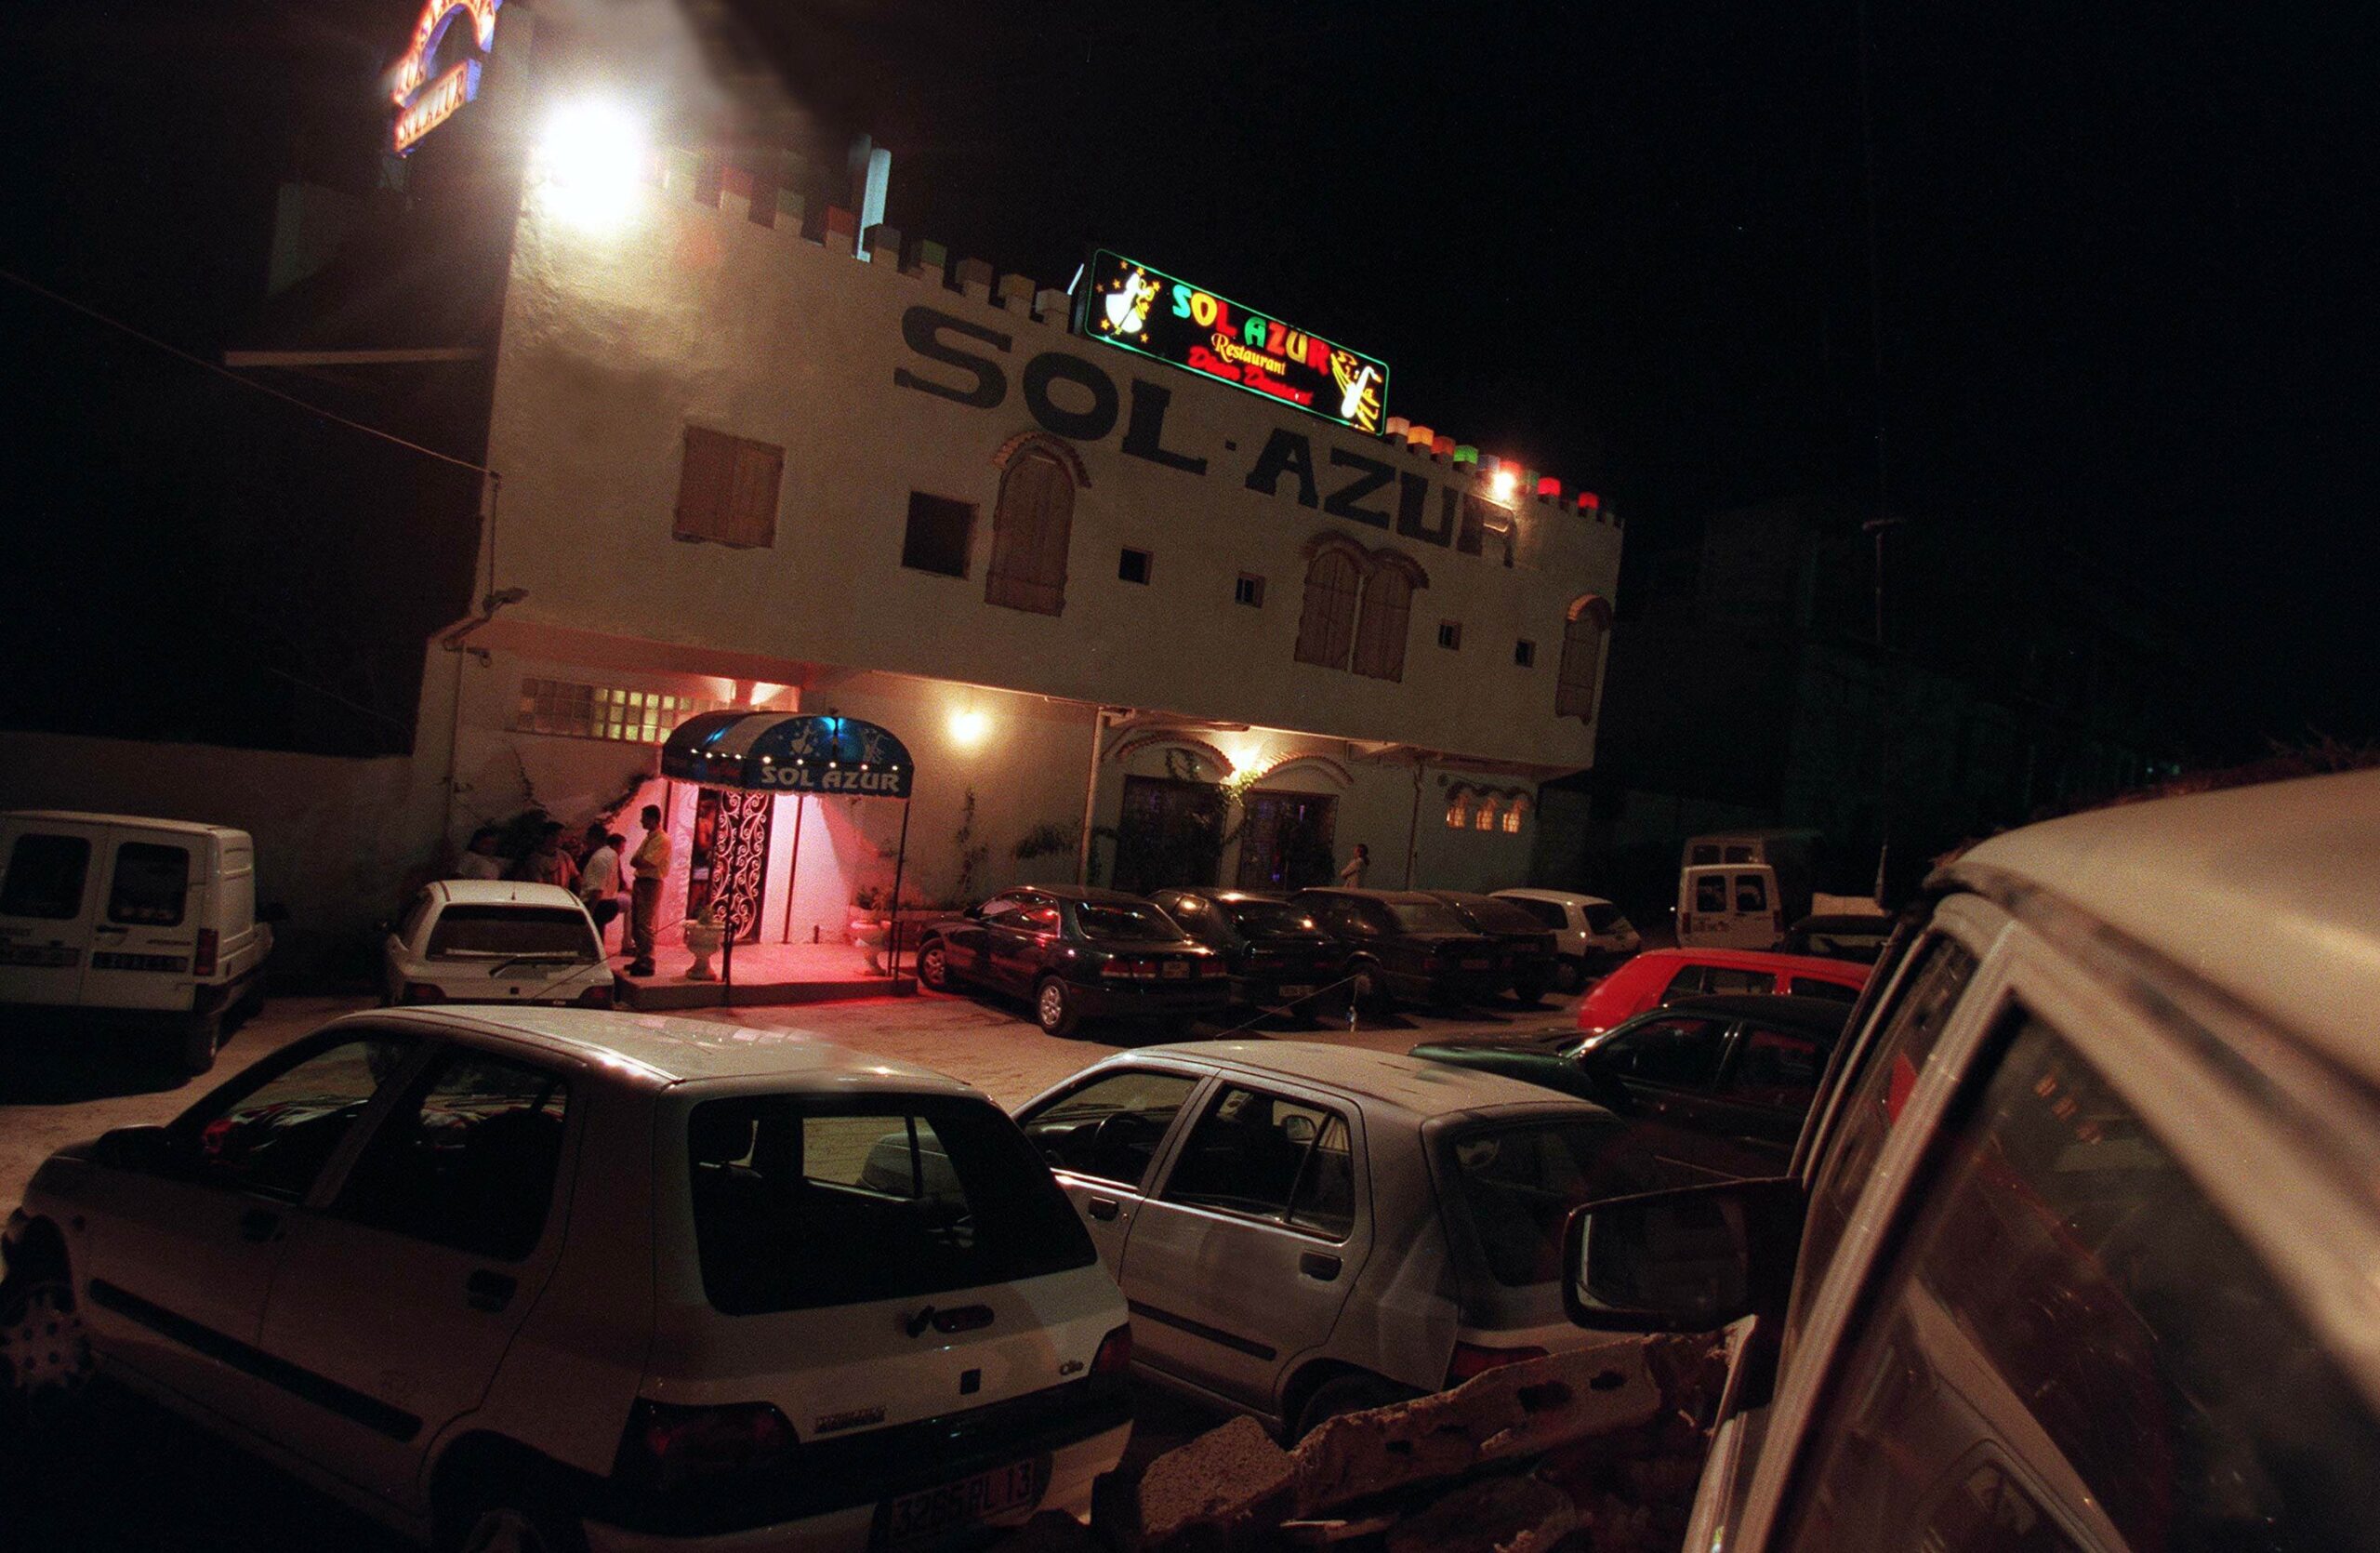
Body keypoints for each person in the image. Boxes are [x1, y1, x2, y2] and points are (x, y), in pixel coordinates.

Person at [628, 804, 671, 976]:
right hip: (641, 881)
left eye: (644, 817)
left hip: (651, 882)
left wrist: (639, 861)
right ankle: (640, 958)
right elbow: (634, 860)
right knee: (636, 921)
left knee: (645, 923)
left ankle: (648, 961)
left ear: (653, 819)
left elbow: (647, 862)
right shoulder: (650, 838)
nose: (641, 820)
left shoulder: (662, 839)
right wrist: (639, 861)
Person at [578, 830, 625, 948]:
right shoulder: (609, 855)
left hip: (600, 902)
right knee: (597, 934)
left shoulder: (602, 857)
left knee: (593, 937)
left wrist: (590, 911)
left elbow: (598, 888)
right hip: (608, 901)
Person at [515, 821, 579, 890]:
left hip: (562, 897)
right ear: (549, 836)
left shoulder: (565, 856)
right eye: (560, 835)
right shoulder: (535, 860)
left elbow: (576, 877)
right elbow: (539, 887)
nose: (564, 839)